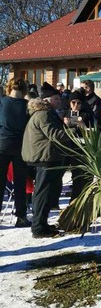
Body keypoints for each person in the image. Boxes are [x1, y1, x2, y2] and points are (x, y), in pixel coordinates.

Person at [21, 84, 70, 239]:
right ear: (47, 100)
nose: (59, 101)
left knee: (45, 192)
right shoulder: (44, 114)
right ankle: (38, 227)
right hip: (45, 158)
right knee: (43, 193)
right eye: (56, 98)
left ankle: (41, 224)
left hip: (46, 156)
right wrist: (72, 130)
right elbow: (54, 134)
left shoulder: (45, 112)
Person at [0, 78, 31, 228]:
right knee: (20, 183)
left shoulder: (2, 102)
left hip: (2, 144)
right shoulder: (27, 106)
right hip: (20, 146)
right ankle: (21, 217)